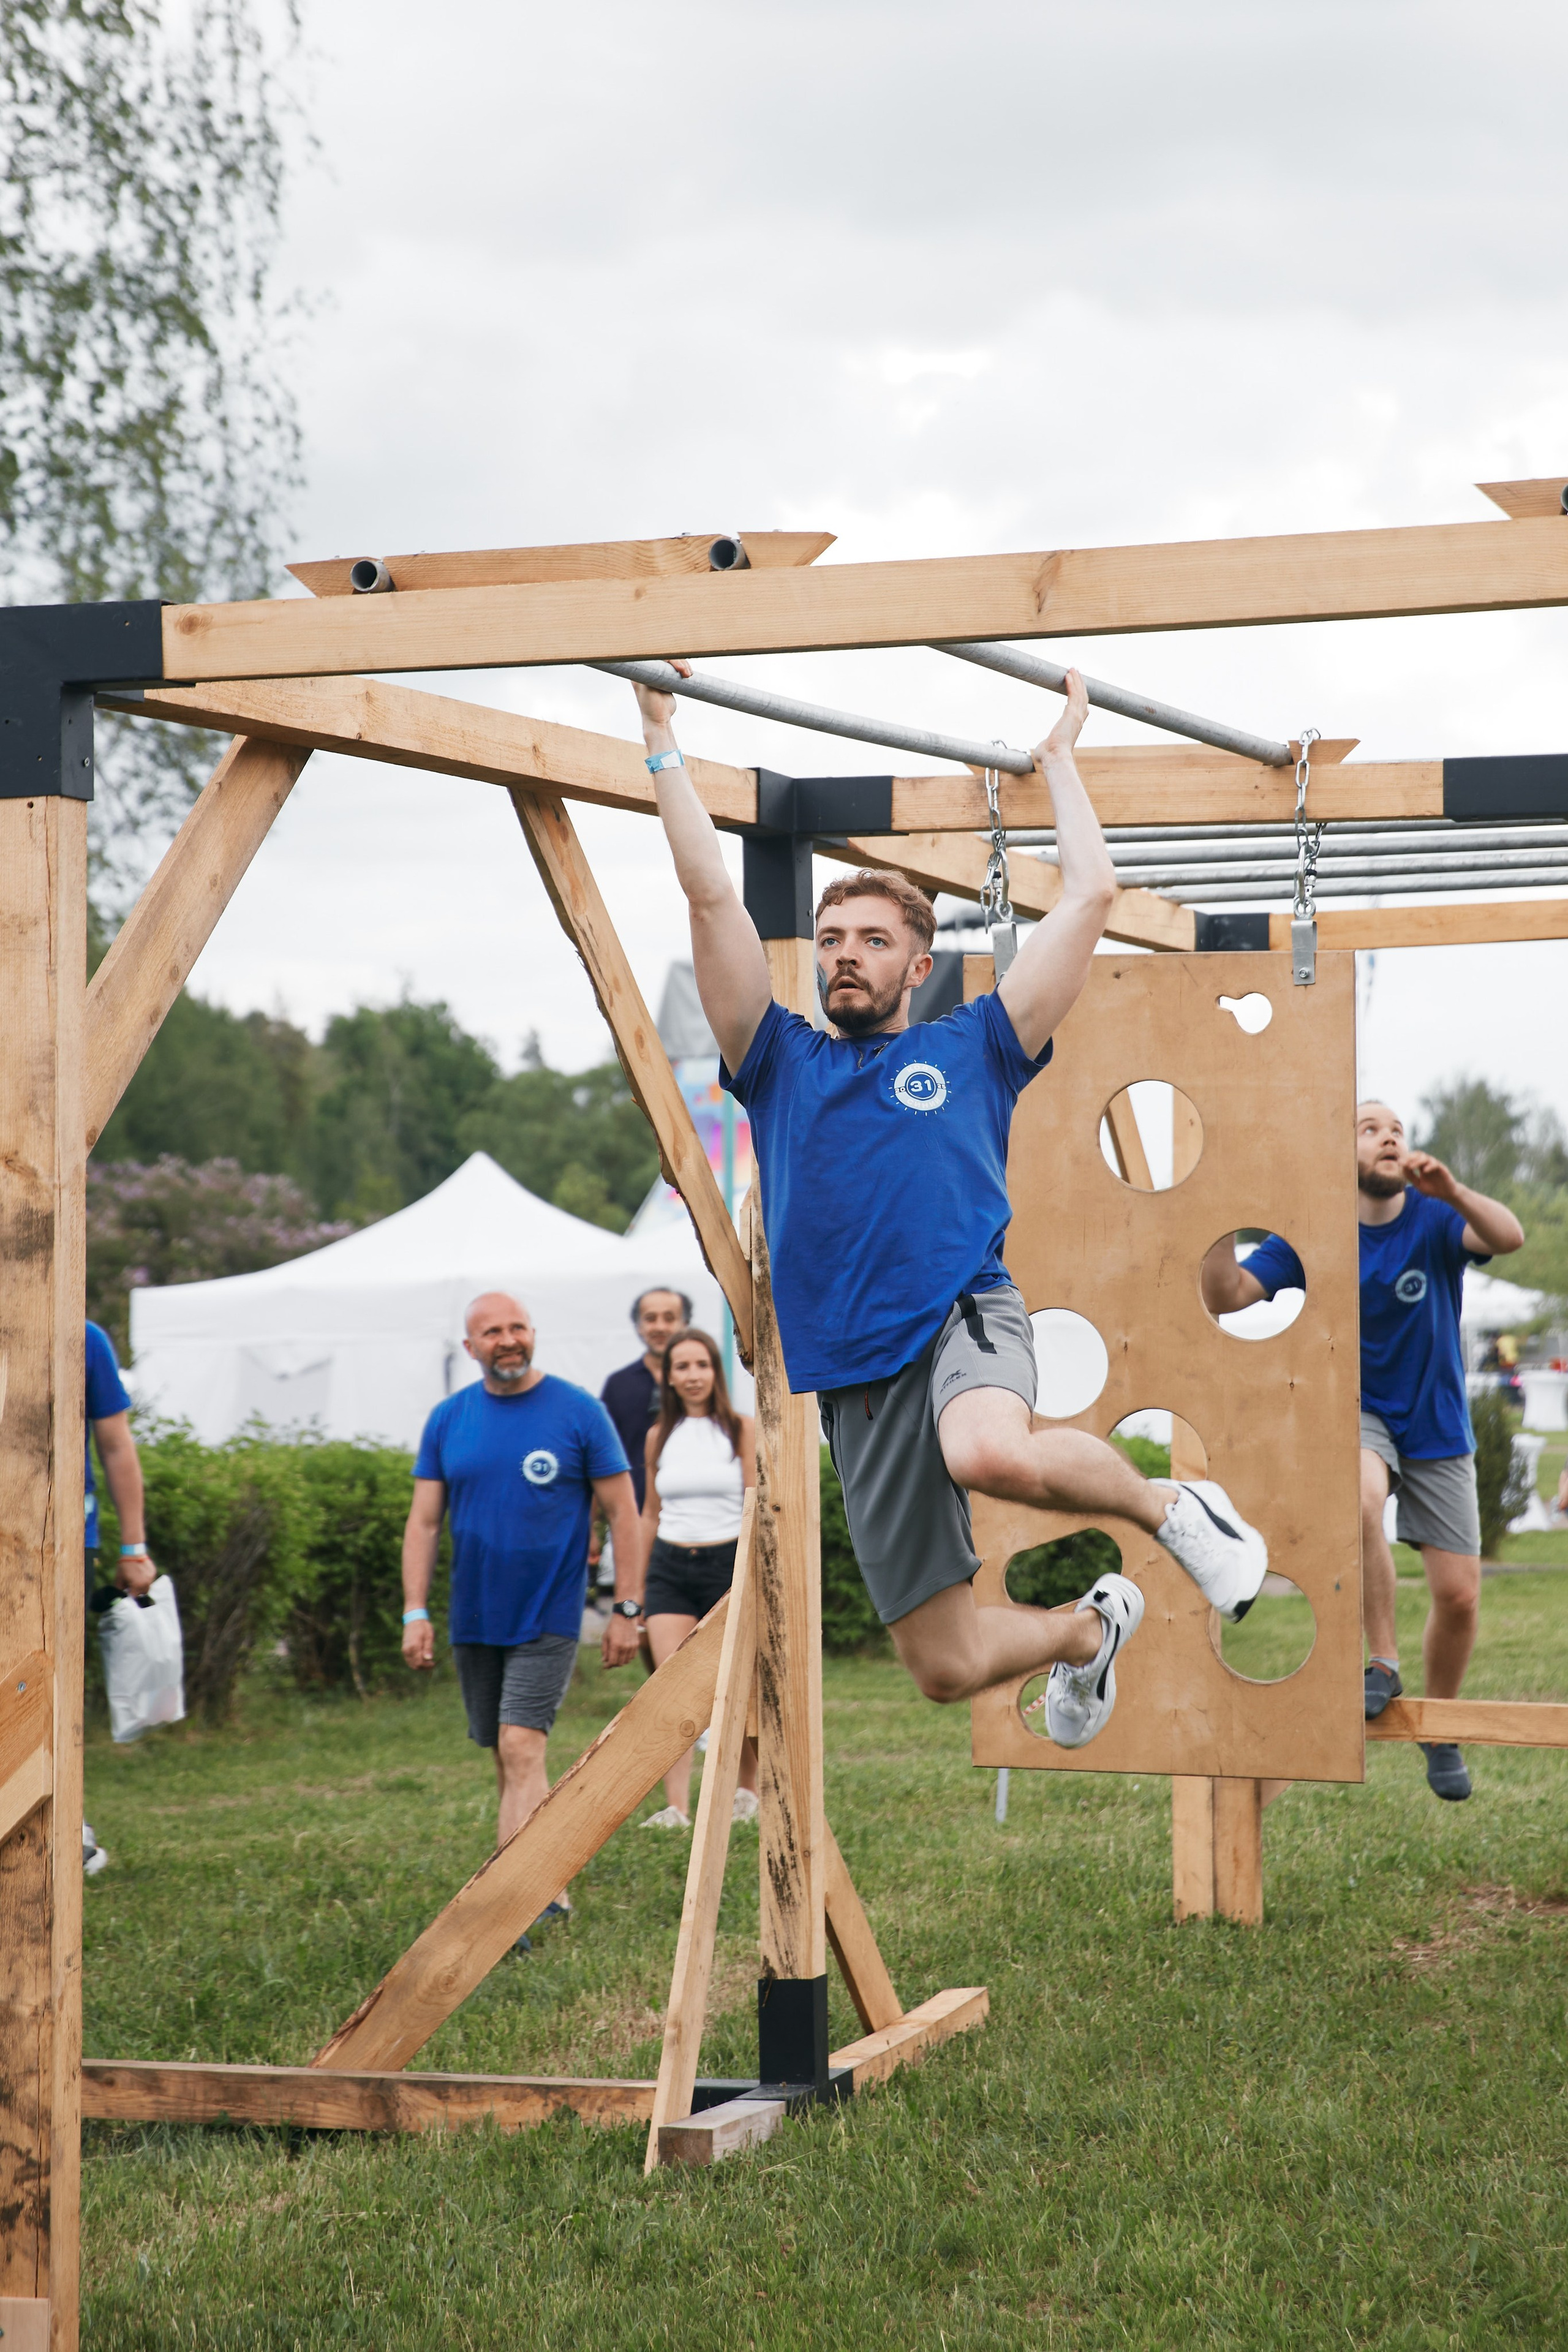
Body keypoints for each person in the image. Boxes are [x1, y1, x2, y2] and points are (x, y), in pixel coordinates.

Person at [630, 663, 1272, 1754]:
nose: (846, 957)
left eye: (872, 942)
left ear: (919, 965)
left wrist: (1059, 766)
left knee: (989, 1453)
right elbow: (709, 898)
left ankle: (1177, 1514)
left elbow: (1090, 900)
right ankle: (1087, 1636)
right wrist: (660, 741)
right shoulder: (777, 1059)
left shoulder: (974, 1045)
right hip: (855, 1382)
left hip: (960, 1317)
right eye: (832, 941)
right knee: (944, 1666)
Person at [1200, 1103, 1525, 1803]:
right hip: (1359, 1412)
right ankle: (1382, 1662)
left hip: (1436, 1420)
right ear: (1340, 1155)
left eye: (1397, 1130)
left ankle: (1438, 1728)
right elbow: (1225, 1296)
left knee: (1460, 1597)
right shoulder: (1314, 1231)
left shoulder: (1435, 1219)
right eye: (1369, 1127)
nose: (1388, 1136)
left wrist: (1456, 1192)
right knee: (1360, 1496)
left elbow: (1510, 1235)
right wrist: (1221, 1209)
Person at [402, 1292, 644, 1943]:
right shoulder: (449, 1419)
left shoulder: (577, 1411)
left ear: (533, 1333)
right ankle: (545, 1879)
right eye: (491, 1331)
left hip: (550, 1611)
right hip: (475, 1617)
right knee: (502, 1753)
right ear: (470, 1346)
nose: (506, 1339)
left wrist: (626, 1608)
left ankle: (523, 1902)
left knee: (521, 1746)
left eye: (516, 1327)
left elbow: (624, 1512)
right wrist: (414, 1611)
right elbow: (424, 1523)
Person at [636, 1329, 757, 1829]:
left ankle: (746, 1792)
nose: (692, 1376)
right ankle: (677, 1808)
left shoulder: (741, 1430)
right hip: (669, 1568)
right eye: (681, 1367)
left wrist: (751, 1575)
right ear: (668, 1377)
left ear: (716, 1371)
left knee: (736, 1684)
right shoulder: (657, 1436)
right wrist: (636, 1590)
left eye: (701, 1365)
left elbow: (755, 1504)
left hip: (726, 1565)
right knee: (673, 1688)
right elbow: (649, 1513)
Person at [83, 1320, 158, 1876]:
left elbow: (115, 1444)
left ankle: (57, 1820)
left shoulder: (82, 1337)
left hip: (58, 1538)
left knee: (42, 1685)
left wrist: (134, 1546)